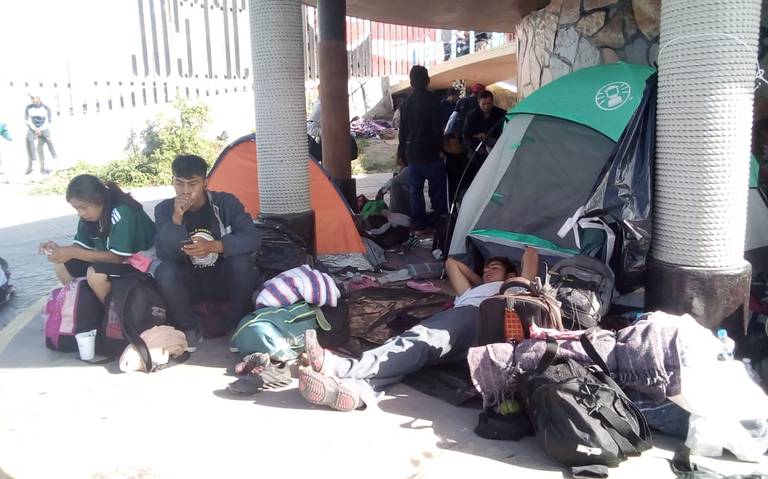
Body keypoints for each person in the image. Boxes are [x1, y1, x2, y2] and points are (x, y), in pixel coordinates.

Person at [297, 247, 540, 412]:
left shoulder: (513, 288)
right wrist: (482, 280)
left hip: (478, 317)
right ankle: (359, 392)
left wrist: (503, 280)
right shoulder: (469, 292)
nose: (487, 270)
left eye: (494, 267)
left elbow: (531, 254)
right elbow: (452, 264)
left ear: (511, 274)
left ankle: (341, 367)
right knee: (418, 351)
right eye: (486, 268)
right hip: (462, 321)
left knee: (420, 338)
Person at [153, 154, 261, 352]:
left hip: (221, 277)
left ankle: (234, 326)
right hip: (190, 278)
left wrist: (215, 246)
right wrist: (176, 219)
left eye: (192, 184)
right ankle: (190, 328)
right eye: (179, 184)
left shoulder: (225, 203)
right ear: (172, 182)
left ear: (205, 183)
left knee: (242, 264)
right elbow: (163, 253)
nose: (186, 191)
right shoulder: (164, 209)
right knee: (164, 272)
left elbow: (252, 238)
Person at [38, 174, 156, 303]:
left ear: (98, 199)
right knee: (62, 266)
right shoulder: (88, 216)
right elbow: (81, 246)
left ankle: (113, 316)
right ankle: (84, 310)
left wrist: (72, 252)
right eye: (76, 208)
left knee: (96, 275)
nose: (81, 213)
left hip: (142, 263)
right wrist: (59, 250)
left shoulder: (121, 211)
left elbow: (117, 257)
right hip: (118, 261)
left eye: (83, 207)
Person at [398, 65, 447, 230]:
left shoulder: (406, 104)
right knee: (437, 188)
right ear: (427, 81)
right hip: (431, 153)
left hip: (412, 154)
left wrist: (402, 154)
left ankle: (419, 220)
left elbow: (402, 132)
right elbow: (436, 129)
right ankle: (440, 218)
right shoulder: (433, 101)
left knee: (415, 189)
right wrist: (440, 149)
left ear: (411, 82)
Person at [460, 90, 507, 188]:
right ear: (478, 103)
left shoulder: (501, 114)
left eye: (489, 103)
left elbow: (506, 131)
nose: (486, 107)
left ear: (493, 102)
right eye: (483, 104)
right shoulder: (472, 116)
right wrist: (476, 146)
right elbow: (466, 135)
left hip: (496, 150)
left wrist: (489, 139)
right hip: (477, 153)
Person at [24, 95, 57, 175]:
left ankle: (55, 158)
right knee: (29, 139)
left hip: (43, 127)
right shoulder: (28, 108)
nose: (32, 100)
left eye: (34, 98)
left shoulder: (46, 108)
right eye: (31, 98)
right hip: (33, 128)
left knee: (48, 141)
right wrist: (35, 129)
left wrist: (40, 129)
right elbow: (27, 120)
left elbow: (48, 121)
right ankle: (34, 164)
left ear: (39, 98)